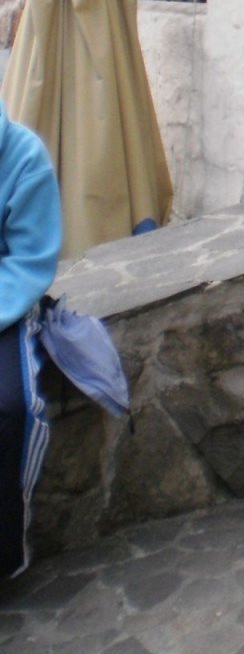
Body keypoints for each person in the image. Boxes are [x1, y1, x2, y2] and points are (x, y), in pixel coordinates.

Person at [0, 96, 61, 576]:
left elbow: (29, 263)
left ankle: (3, 549)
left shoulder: (24, 157)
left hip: (8, 308)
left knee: (12, 406)